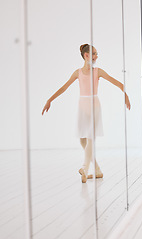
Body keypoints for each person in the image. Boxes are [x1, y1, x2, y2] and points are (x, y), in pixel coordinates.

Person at [42, 44, 131, 183]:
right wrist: (50, 100)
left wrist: (126, 95)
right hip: (82, 106)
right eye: (94, 54)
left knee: (90, 138)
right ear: (86, 55)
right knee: (82, 139)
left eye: (97, 54)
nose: (96, 56)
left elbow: (118, 83)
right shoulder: (77, 73)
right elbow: (64, 87)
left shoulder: (98, 71)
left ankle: (84, 167)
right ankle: (97, 170)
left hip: (93, 105)